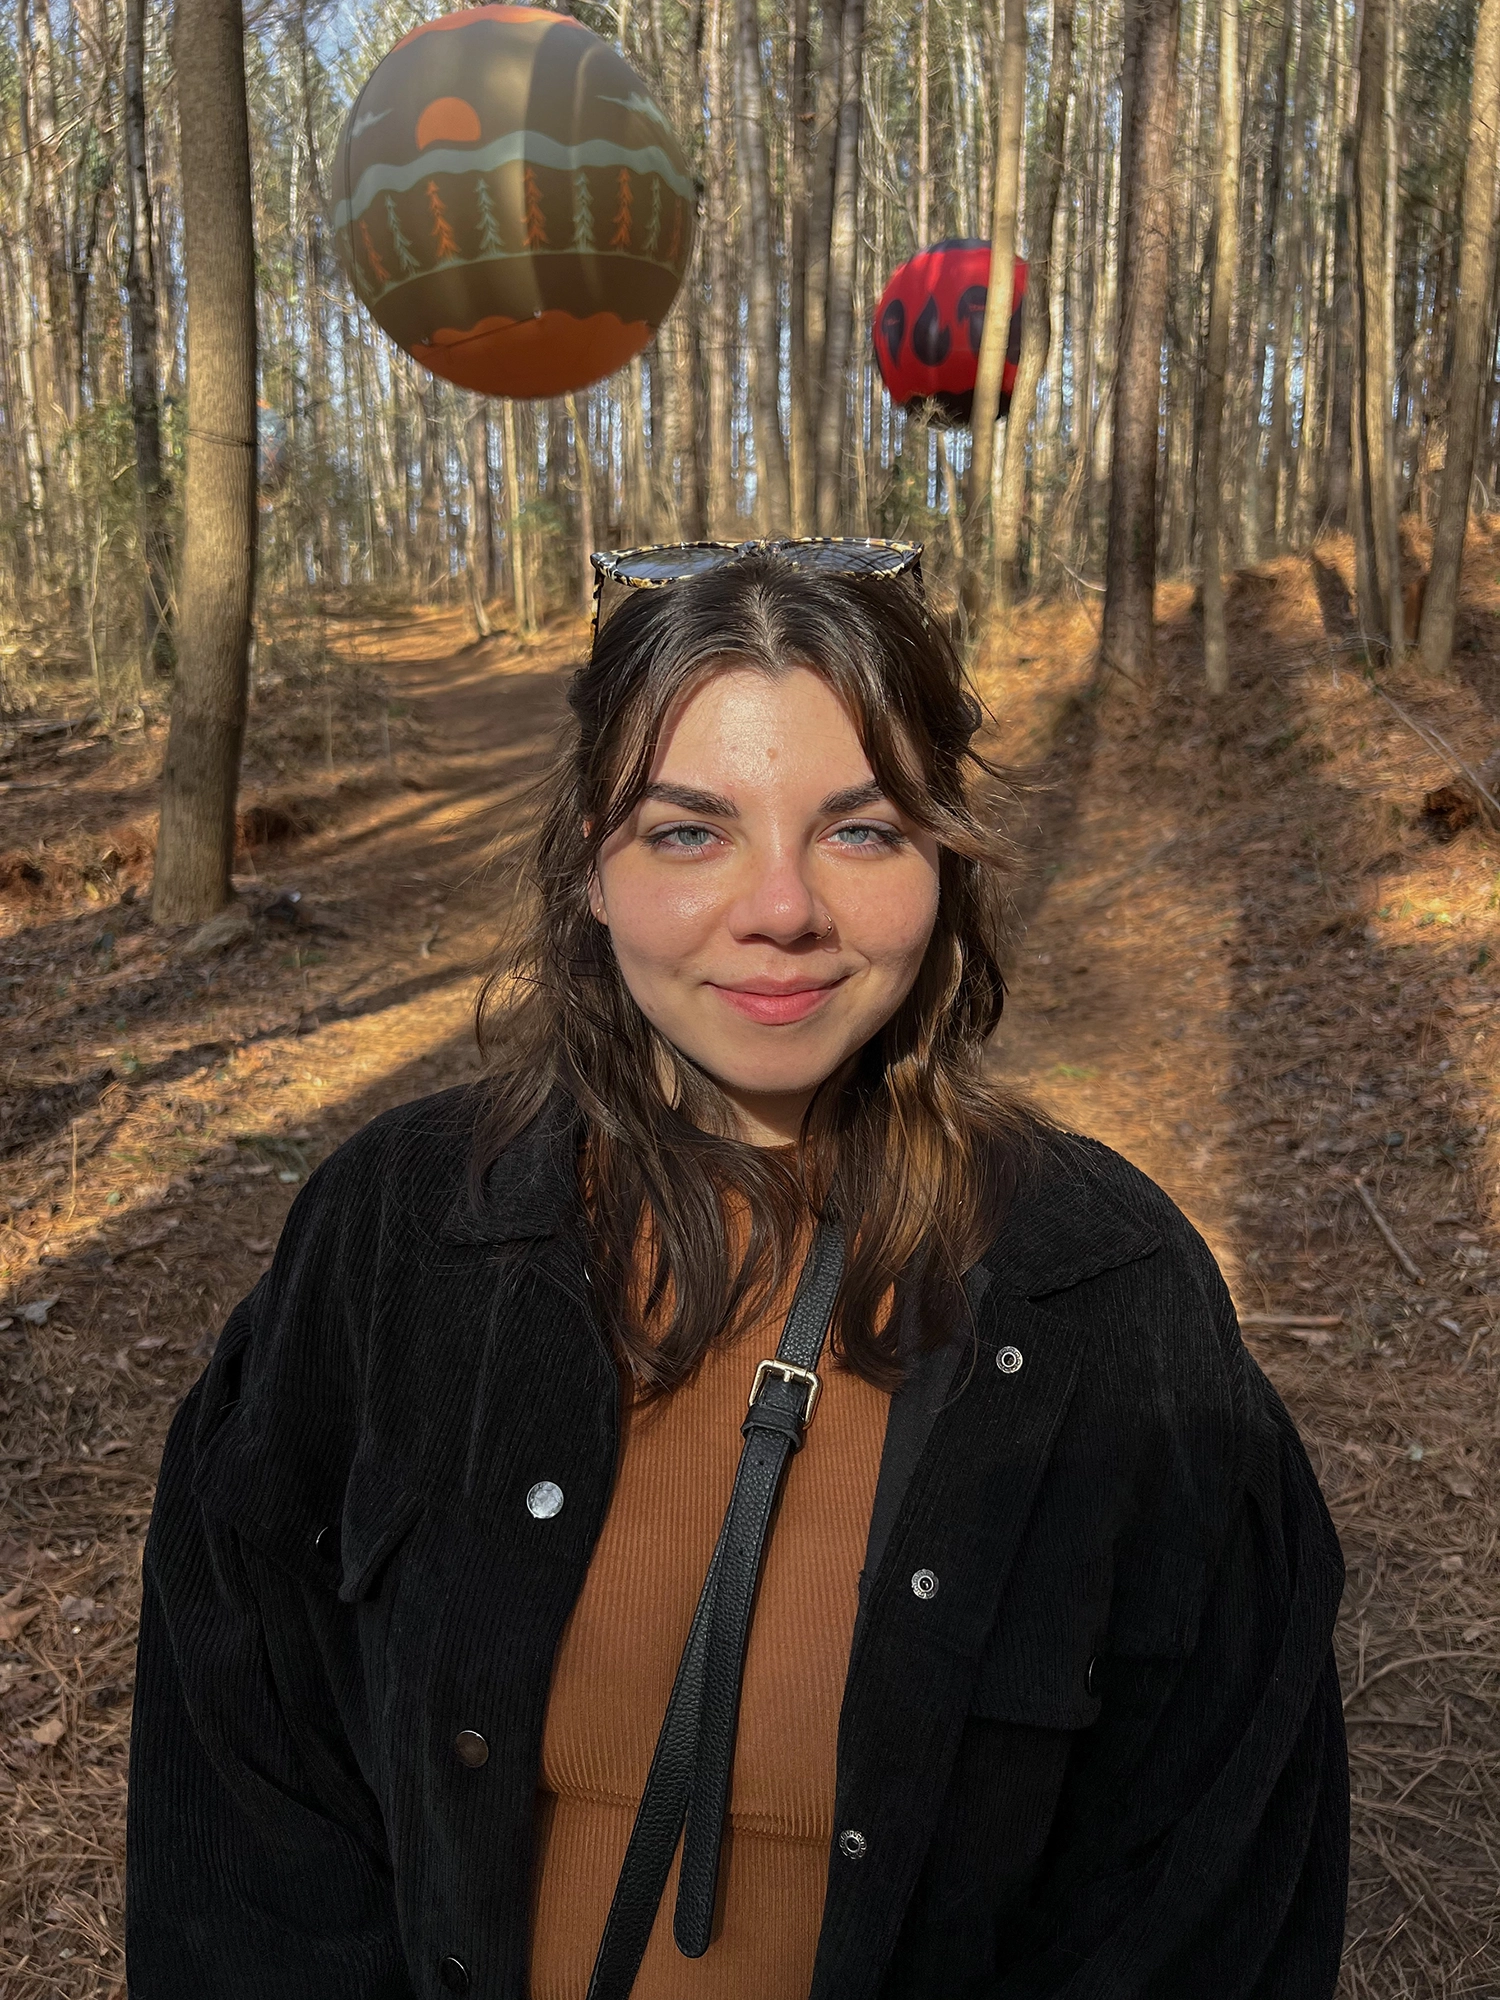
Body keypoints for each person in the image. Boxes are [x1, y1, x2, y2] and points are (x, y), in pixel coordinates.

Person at [125, 542, 1349, 2000]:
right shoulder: (394, 1236)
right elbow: (246, 1779)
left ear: (944, 858)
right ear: (591, 860)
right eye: (691, 832)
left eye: (862, 830)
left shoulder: (1109, 1299)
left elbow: (1207, 1889)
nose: (783, 909)